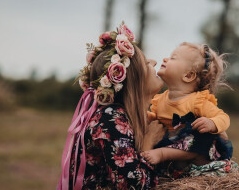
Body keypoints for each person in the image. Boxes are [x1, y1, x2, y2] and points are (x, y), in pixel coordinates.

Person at [57, 23, 165, 190]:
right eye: (145, 63)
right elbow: (132, 186)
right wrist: (149, 143)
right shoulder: (111, 117)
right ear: (135, 81)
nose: (154, 61)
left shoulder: (121, 116)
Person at [141, 42, 237, 177]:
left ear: (188, 76)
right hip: (174, 148)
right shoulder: (160, 99)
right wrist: (145, 116)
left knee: (200, 134)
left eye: (173, 58)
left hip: (197, 153)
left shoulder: (198, 101)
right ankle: (168, 164)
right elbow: (156, 121)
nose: (165, 59)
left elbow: (223, 117)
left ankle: (162, 154)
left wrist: (212, 123)